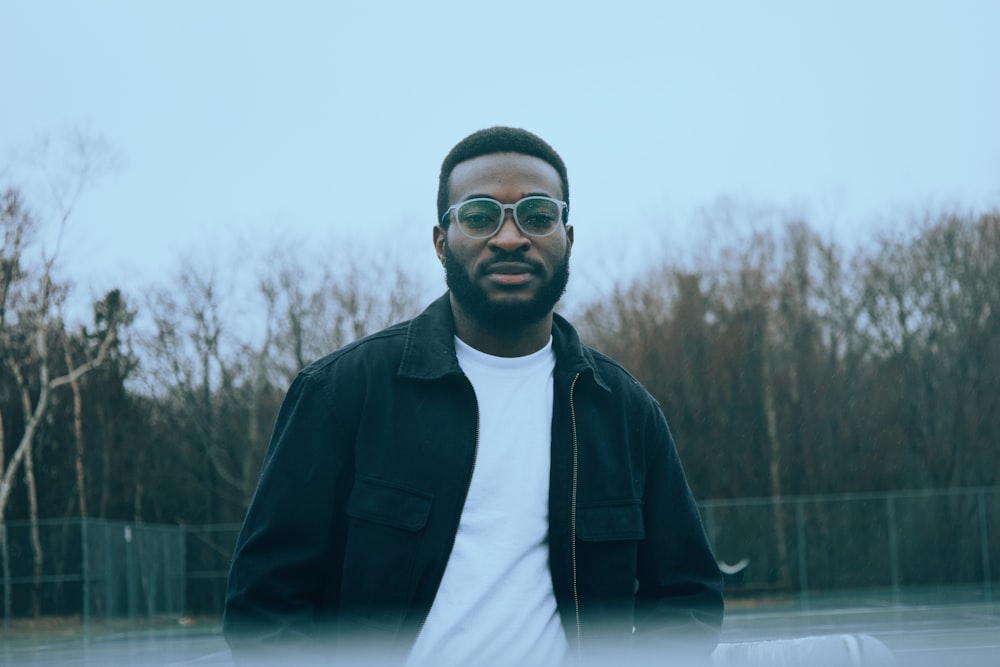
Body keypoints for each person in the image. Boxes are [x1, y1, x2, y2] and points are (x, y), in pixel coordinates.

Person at [223, 127, 724, 666]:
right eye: (481, 216)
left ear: (568, 238)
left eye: (536, 216)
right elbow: (263, 610)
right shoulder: (341, 393)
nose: (510, 238)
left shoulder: (623, 412)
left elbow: (687, 599)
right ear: (442, 243)